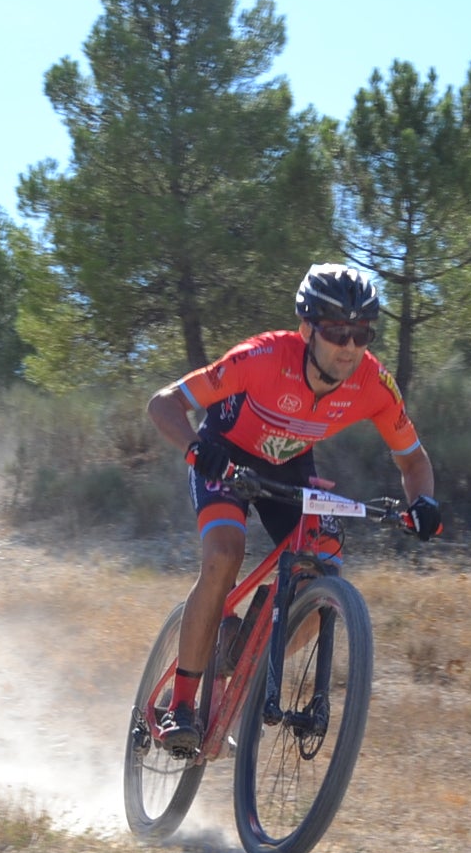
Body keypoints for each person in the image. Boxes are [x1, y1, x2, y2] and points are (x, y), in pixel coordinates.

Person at [144, 263, 441, 753]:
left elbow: (413, 460)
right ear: (307, 329)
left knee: (321, 571)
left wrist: (424, 502)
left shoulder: (373, 384)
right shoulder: (260, 356)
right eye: (336, 331)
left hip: (289, 467)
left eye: (361, 332)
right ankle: (180, 705)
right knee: (224, 553)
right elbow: (163, 404)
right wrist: (198, 449)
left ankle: (243, 655)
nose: (349, 346)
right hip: (225, 455)